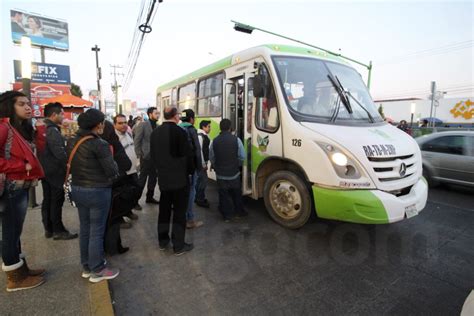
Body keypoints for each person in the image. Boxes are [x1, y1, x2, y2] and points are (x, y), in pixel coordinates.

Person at [67, 109, 120, 283]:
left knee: (85, 228)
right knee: (97, 231)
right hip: (97, 191)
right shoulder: (100, 144)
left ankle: (87, 266)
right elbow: (112, 170)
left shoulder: (72, 141)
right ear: (98, 125)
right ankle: (97, 269)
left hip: (78, 189)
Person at [0, 90, 46, 292]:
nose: (28, 107)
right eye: (21, 104)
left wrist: (40, 129)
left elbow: (38, 151)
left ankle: (21, 270)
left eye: (28, 103)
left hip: (19, 186)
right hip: (12, 186)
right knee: (10, 233)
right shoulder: (3, 127)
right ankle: (15, 278)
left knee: (15, 231)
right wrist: (20, 165)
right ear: (10, 106)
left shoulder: (18, 127)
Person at [150, 106, 194, 256]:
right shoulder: (180, 132)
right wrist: (190, 172)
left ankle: (163, 241)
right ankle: (178, 245)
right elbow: (188, 156)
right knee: (179, 213)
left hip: (163, 180)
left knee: (164, 210)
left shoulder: (155, 133)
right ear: (175, 116)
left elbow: (153, 156)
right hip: (180, 180)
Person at [38, 102, 78, 240]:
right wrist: (69, 165)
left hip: (45, 170)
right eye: (61, 114)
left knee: (47, 200)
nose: (63, 116)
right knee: (56, 201)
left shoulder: (42, 128)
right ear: (54, 115)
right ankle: (58, 230)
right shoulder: (52, 130)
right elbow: (60, 153)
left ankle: (48, 228)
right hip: (55, 172)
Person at [101, 120, 135, 255]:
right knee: (113, 219)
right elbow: (125, 164)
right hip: (114, 186)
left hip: (94, 187)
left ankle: (103, 248)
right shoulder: (113, 143)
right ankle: (114, 247)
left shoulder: (88, 142)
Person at [210, 119, 247, 222]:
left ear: (220, 128)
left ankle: (227, 216)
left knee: (223, 195)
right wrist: (236, 165)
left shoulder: (214, 140)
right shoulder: (237, 140)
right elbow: (242, 157)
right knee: (236, 193)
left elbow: (212, 157)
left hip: (220, 174)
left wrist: (215, 166)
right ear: (230, 128)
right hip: (234, 173)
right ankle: (239, 212)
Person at [178, 109, 204, 229]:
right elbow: (197, 151)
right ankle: (190, 220)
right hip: (190, 168)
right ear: (192, 119)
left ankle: (181, 217)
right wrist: (199, 167)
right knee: (191, 192)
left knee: (181, 193)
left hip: (179, 168)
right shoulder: (192, 130)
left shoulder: (176, 128)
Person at [114, 114, 141, 212]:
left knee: (134, 191)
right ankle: (122, 215)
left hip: (133, 170)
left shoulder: (128, 134)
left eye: (125, 122)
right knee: (123, 195)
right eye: (120, 123)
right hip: (123, 172)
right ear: (114, 125)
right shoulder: (114, 138)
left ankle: (129, 210)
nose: (123, 125)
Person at [134, 107, 159, 204]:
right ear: (150, 114)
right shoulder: (143, 125)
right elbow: (137, 141)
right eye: (156, 113)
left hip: (155, 157)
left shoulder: (157, 126)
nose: (158, 115)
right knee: (142, 179)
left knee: (153, 178)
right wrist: (139, 155)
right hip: (145, 156)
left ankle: (150, 197)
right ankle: (135, 201)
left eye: (158, 113)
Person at [195, 120, 211, 208]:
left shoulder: (203, 135)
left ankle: (198, 197)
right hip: (201, 164)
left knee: (200, 181)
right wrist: (203, 164)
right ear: (203, 127)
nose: (210, 128)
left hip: (202, 163)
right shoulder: (200, 136)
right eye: (208, 126)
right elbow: (199, 151)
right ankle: (200, 199)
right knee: (203, 181)